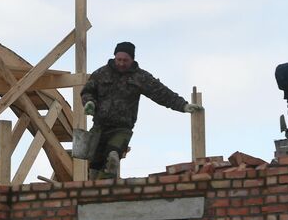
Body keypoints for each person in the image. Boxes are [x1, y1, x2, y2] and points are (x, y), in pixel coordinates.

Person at [80, 41, 202, 179]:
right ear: (114, 57)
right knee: (95, 164)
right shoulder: (101, 74)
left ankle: (109, 180)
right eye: (118, 59)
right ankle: (94, 187)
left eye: (125, 60)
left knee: (112, 154)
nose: (121, 63)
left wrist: (183, 106)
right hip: (100, 126)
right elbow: (87, 91)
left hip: (121, 128)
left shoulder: (140, 77)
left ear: (132, 60)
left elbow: (161, 93)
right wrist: (89, 102)